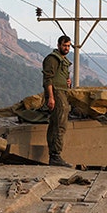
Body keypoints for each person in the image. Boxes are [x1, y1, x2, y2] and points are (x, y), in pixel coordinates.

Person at [42, 35, 72, 167]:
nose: (67, 48)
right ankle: (55, 156)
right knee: (59, 125)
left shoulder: (64, 60)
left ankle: (54, 155)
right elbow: (47, 79)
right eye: (65, 45)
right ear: (59, 45)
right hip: (56, 93)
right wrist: (51, 97)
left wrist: (68, 82)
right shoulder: (52, 59)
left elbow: (62, 77)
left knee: (58, 124)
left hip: (62, 92)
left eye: (68, 46)